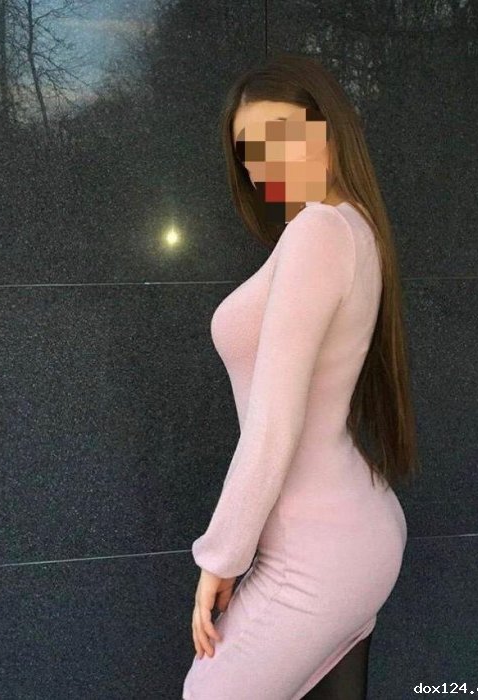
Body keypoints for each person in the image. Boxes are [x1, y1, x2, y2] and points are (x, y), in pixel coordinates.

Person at [182, 51, 420, 700]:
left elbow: (274, 423)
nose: (265, 164)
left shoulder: (319, 230)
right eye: (249, 152)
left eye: (280, 136)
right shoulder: (349, 226)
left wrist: (221, 557)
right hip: (344, 532)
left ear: (327, 129)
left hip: (320, 552)